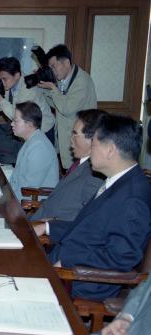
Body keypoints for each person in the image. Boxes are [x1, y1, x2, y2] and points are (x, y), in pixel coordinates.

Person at [34, 114, 151, 301]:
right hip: (62, 264)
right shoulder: (118, 181)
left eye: (94, 144)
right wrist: (48, 227)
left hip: (78, 281)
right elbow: (91, 227)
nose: (90, 150)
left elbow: (121, 257)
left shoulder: (133, 197)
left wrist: (66, 261)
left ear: (110, 150)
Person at [29, 109, 106, 222]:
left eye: (75, 134)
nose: (71, 139)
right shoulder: (81, 164)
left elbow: (88, 216)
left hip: (46, 232)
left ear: (93, 139)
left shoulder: (96, 174)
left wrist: (51, 223)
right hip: (35, 219)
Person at [0, 57, 55, 164]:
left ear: (17, 75)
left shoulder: (28, 87)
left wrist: (1, 99)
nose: (2, 82)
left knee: (31, 163)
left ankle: (13, 166)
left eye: (5, 79)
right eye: (0, 79)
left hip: (42, 132)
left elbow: (18, 116)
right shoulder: (11, 84)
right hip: (25, 128)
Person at [38, 44, 97, 169]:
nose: (52, 71)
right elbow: (57, 104)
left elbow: (66, 108)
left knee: (79, 176)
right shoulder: (63, 80)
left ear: (66, 62)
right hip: (68, 137)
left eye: (54, 66)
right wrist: (44, 89)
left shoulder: (82, 80)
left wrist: (53, 88)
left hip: (82, 139)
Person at [8, 101, 59, 200]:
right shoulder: (33, 141)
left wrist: (5, 200)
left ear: (30, 124)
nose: (11, 124)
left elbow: (28, 189)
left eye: (16, 121)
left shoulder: (39, 147)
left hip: (33, 205)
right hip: (18, 198)